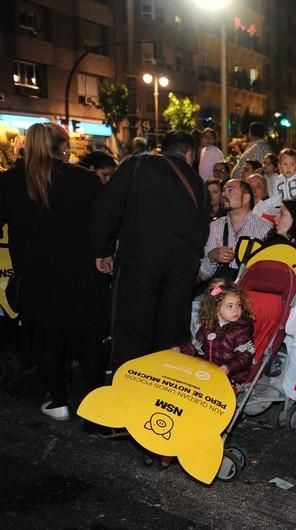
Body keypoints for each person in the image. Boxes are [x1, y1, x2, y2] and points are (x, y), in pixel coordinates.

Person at [0, 122, 108, 421]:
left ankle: (58, 401)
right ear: (62, 147)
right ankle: (98, 401)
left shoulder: (9, 181)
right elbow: (104, 223)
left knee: (47, 339)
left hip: (36, 276)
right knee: (88, 338)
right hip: (82, 273)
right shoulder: (84, 180)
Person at [91, 131, 209, 371]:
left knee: (130, 333)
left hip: (139, 262)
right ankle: (162, 394)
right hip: (181, 269)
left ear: (162, 149)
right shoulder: (197, 181)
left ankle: (128, 394)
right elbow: (202, 229)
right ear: (190, 155)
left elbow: (107, 207)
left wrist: (102, 250)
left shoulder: (136, 166)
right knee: (171, 338)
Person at [178, 280, 254, 383]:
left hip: (232, 377)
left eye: (238, 305)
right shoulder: (208, 325)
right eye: (230, 306)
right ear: (215, 308)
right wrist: (181, 350)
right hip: (207, 372)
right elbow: (196, 345)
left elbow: (245, 357)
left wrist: (228, 367)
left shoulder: (242, 329)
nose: (236, 309)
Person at [198, 179, 272, 282]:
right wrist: (212, 257)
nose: (224, 194)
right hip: (219, 293)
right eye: (223, 190)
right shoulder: (214, 227)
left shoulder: (265, 228)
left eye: (231, 190)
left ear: (246, 198)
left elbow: (269, 272)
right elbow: (201, 275)